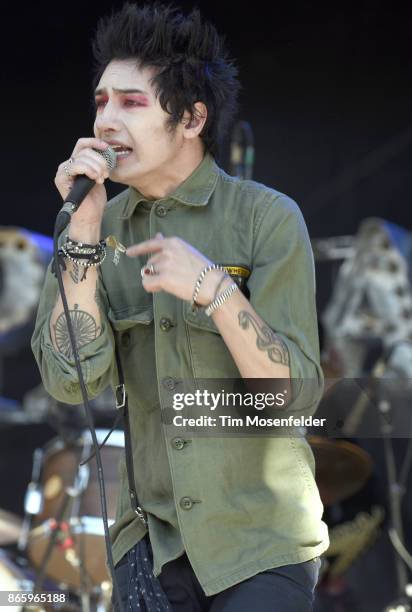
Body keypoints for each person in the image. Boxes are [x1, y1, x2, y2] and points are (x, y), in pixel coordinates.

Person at [32, 3, 329, 610]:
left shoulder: (266, 218)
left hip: (261, 542)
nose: (107, 121)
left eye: (132, 103)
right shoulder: (94, 227)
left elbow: (295, 395)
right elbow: (71, 382)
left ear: (192, 118)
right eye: (101, 102)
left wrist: (218, 292)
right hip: (150, 545)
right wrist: (82, 239)